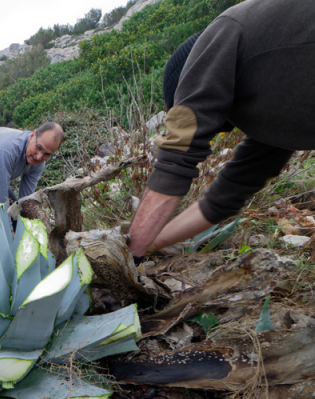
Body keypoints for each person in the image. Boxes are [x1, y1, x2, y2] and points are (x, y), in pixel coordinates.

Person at [128, 0, 315, 257]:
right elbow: (224, 198)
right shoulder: (277, 114)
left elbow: (176, 156)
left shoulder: (222, 35)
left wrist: (128, 255)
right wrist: (149, 243)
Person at [0, 123, 64, 206]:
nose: (39, 157)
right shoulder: (8, 149)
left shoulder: (39, 163)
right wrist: (9, 232)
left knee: (14, 217)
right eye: (39, 147)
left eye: (47, 154)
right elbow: (1, 202)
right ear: (32, 135)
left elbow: (25, 201)